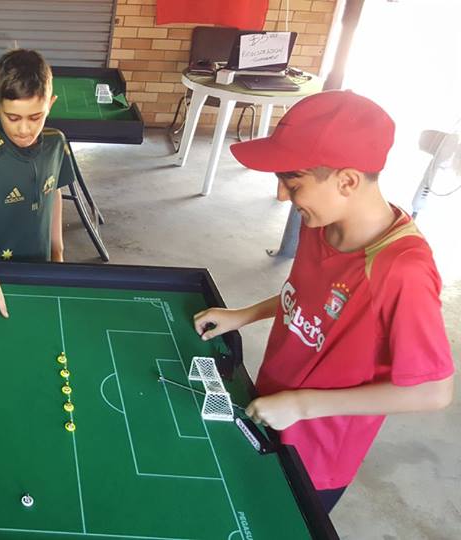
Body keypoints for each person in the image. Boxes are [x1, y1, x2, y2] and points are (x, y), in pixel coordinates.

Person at [193, 90, 455, 513]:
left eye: (293, 183)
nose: (283, 196)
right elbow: (307, 298)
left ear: (347, 181)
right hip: (273, 405)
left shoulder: (401, 270)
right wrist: (244, 315)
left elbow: (433, 391)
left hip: (318, 454)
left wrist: (304, 404)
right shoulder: (320, 224)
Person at [0, 49, 75, 324]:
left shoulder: (57, 143)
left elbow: (55, 194)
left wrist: (57, 252)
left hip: (39, 263)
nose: (24, 130)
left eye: (35, 117)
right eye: (13, 118)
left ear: (50, 104)